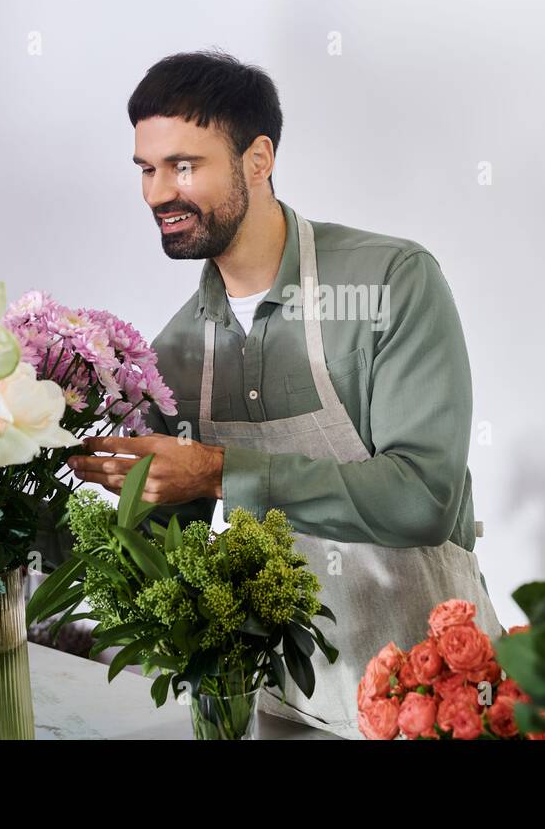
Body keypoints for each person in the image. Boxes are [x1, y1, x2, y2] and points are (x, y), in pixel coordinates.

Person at [67, 49, 502, 738]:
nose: (157, 193)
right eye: (147, 170)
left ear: (258, 159)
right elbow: (171, 565)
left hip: (440, 702)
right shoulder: (174, 354)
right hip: (283, 710)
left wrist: (219, 471)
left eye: (184, 165)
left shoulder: (392, 282)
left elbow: (421, 500)